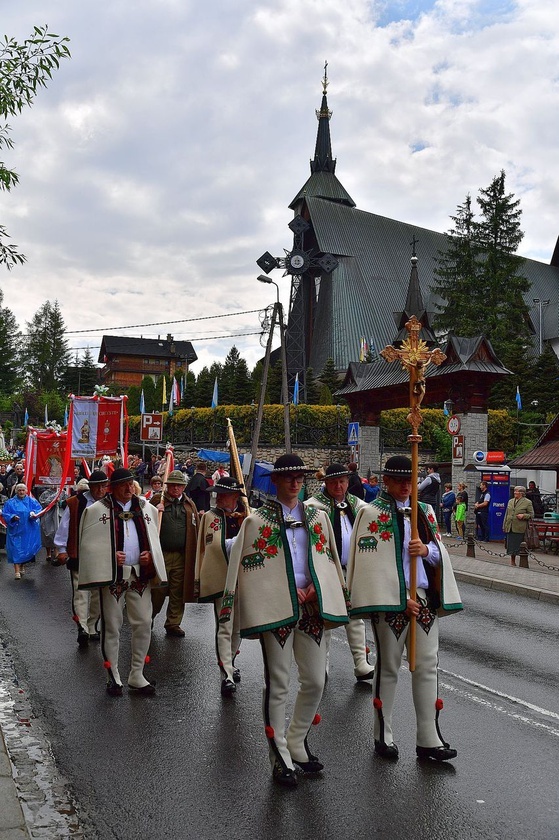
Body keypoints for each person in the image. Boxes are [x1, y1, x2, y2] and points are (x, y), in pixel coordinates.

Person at [220, 454, 349, 788]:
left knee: (316, 680)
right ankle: (279, 757)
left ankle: (296, 741)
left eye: (300, 477)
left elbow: (327, 559)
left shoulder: (318, 518)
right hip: (278, 609)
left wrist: (315, 589)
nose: (295, 482)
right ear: (275, 481)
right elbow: (246, 565)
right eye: (289, 477)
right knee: (278, 683)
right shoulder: (257, 521)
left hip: (310, 607)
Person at [347, 455, 462, 763]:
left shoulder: (424, 511)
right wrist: (399, 598)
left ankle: (428, 738)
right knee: (388, 666)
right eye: (398, 481)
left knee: (427, 665)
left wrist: (426, 550)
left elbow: (439, 553)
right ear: (386, 481)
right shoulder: (370, 513)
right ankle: (383, 734)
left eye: (409, 481)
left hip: (423, 597)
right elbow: (368, 565)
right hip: (391, 603)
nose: (404, 487)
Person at [77, 468, 167, 697]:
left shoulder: (146, 508)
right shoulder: (96, 511)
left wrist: (148, 554)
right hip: (114, 578)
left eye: (131, 483)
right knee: (112, 627)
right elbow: (86, 546)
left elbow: (153, 539)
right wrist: (109, 556)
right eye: (124, 484)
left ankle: (137, 675)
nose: (129, 488)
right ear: (112, 487)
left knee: (144, 623)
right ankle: (113, 675)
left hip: (139, 575)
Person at [305, 463, 374, 682]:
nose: (339, 486)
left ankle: (361, 664)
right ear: (325, 483)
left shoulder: (357, 504)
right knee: (325, 616)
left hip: (352, 570)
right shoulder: (312, 506)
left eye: (343, 481)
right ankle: (321, 665)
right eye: (334, 482)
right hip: (326, 570)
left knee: (355, 616)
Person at [195, 476, 246, 696]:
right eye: (218, 494)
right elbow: (203, 549)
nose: (219, 498)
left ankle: (231, 660)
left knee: (238, 628)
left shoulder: (249, 517)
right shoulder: (210, 517)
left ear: (235, 496)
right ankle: (225, 673)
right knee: (224, 626)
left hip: (245, 581)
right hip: (222, 580)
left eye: (224, 494)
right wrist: (199, 578)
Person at [54, 471, 109, 646]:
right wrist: (62, 549)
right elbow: (65, 527)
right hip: (80, 553)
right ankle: (82, 627)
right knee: (81, 593)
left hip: (102, 555)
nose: (101, 489)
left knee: (98, 594)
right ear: (90, 487)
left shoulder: (110, 503)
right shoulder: (75, 503)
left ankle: (92, 626)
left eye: (103, 486)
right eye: (98, 486)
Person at [150, 470, 199, 637]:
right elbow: (145, 519)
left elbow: (195, 528)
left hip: (181, 555)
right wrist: (155, 510)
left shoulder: (189, 504)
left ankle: (173, 623)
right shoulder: (158, 500)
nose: (175, 488)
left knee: (178, 591)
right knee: (158, 590)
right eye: (172, 485)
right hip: (161, 553)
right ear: (167, 486)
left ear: (184, 487)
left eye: (179, 485)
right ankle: (148, 617)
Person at [3, 484, 42, 579]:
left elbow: (38, 510)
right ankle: (16, 571)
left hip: (28, 530)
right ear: (16, 491)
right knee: (15, 549)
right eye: (19, 490)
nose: (21, 492)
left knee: (26, 548)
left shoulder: (32, 501)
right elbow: (5, 513)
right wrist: (12, 517)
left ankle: (22, 565)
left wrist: (34, 514)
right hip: (15, 530)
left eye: (23, 490)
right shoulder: (10, 502)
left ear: (26, 491)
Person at [503, 486, 534, 566]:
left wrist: (523, 515)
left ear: (521, 493)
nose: (514, 493)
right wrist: (504, 525)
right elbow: (507, 514)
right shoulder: (510, 501)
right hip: (510, 526)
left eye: (516, 491)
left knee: (519, 545)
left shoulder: (527, 502)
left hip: (520, 527)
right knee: (511, 546)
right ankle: (512, 561)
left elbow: (531, 515)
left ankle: (522, 561)